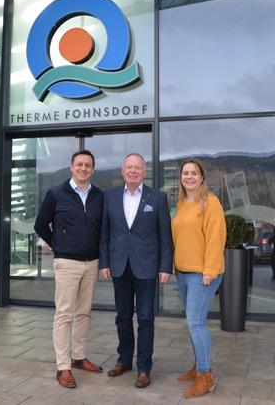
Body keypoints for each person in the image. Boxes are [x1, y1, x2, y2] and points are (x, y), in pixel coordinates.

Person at [99, 153, 173, 389]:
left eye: (138, 168)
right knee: (122, 317)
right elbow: (104, 234)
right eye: (129, 167)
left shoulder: (158, 198)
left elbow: (165, 237)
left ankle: (144, 367)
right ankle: (124, 360)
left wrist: (164, 266)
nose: (133, 171)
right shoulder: (109, 196)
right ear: (122, 171)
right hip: (119, 266)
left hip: (147, 267)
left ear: (144, 171)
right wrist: (104, 262)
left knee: (145, 318)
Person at [34, 149, 104, 389]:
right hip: (67, 263)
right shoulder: (56, 193)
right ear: (72, 167)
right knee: (64, 314)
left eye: (88, 165)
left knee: (84, 312)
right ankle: (63, 366)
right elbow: (40, 224)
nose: (83, 168)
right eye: (79, 164)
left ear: (93, 169)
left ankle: (79, 357)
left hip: (92, 262)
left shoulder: (98, 196)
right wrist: (59, 245)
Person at [171, 159, 226, 399]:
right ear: (181, 177)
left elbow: (216, 238)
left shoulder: (210, 203)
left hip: (202, 274)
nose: (189, 176)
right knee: (192, 323)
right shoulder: (182, 203)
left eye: (194, 173)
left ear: (202, 177)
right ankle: (198, 366)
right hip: (183, 273)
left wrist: (209, 271)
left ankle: (206, 377)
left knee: (196, 323)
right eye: (186, 173)